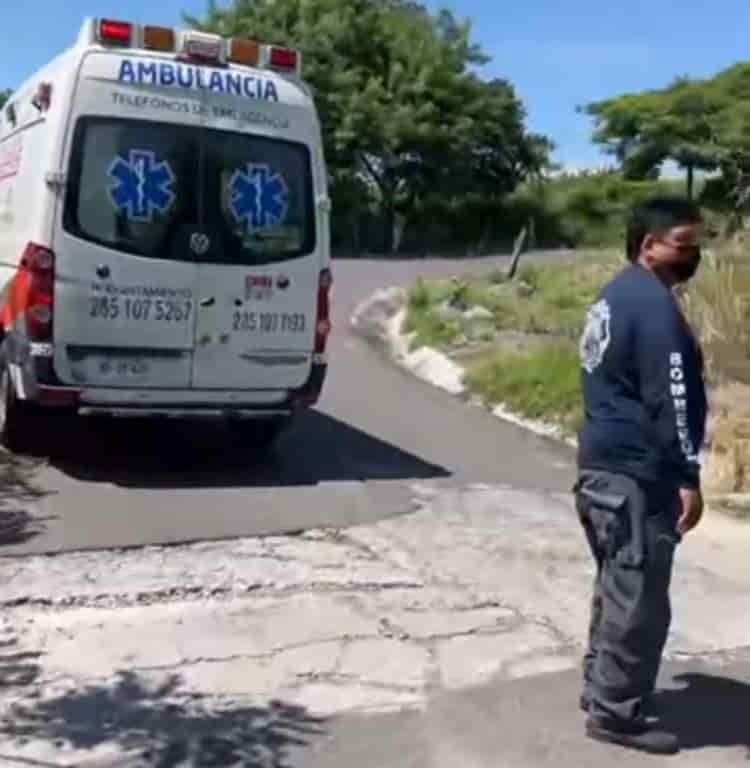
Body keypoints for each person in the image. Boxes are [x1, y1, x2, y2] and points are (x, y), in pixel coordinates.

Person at [573, 195, 708, 755]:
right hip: (637, 473)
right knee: (640, 598)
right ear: (648, 244)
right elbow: (671, 398)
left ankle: (601, 687)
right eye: (684, 244)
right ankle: (617, 714)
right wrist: (686, 474)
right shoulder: (653, 306)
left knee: (616, 585)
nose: (693, 255)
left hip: (600, 468)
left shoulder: (614, 293)